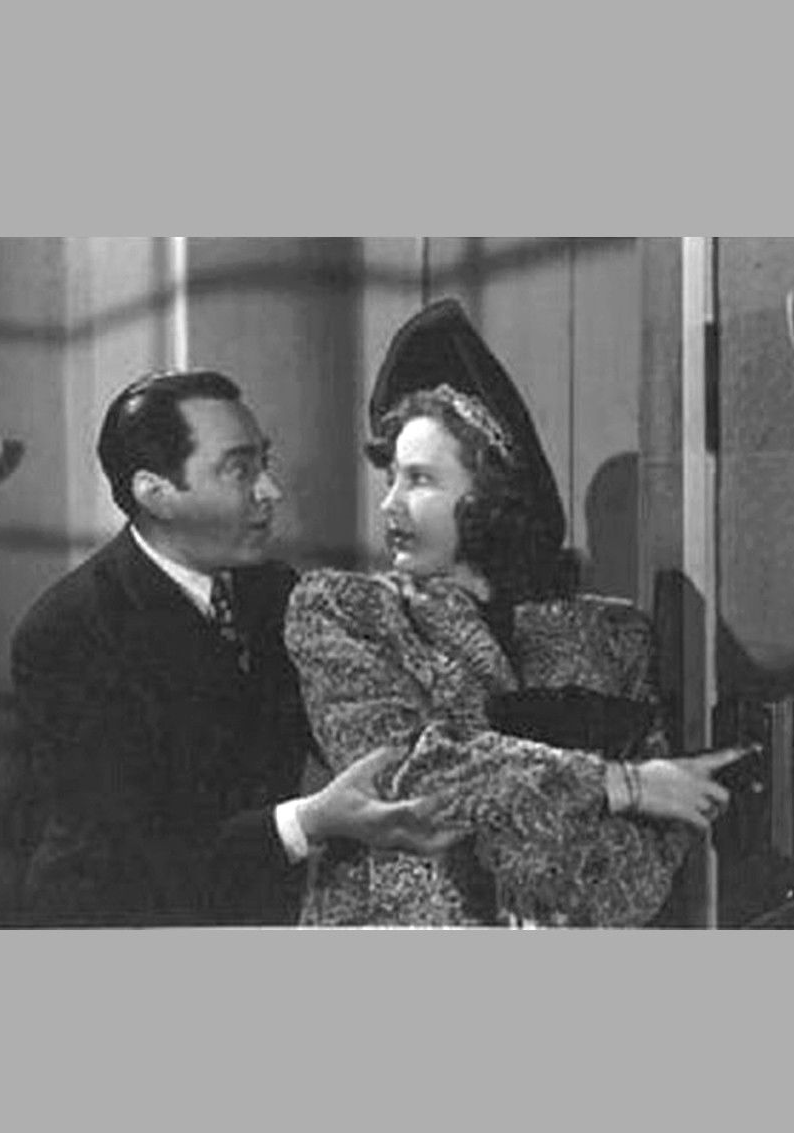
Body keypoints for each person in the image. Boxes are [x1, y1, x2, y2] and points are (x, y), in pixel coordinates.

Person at [284, 299, 748, 927]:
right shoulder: (344, 610)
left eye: (419, 480)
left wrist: (555, 885)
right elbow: (411, 773)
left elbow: (659, 840)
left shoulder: (612, 635)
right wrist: (624, 784)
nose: (391, 504)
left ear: (488, 495)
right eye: (390, 477)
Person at [11, 369, 457, 927]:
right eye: (240, 469)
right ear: (155, 493)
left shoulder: (277, 591)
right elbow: (130, 853)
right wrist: (309, 822)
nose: (271, 490)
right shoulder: (67, 632)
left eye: (264, 463)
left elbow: (354, 732)